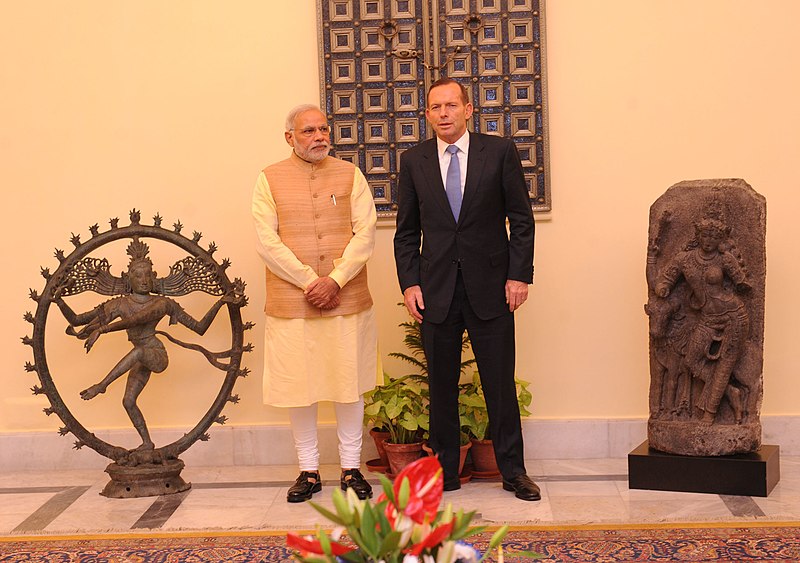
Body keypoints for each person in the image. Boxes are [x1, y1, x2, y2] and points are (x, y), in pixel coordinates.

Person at [393, 78, 540, 501]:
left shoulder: (499, 152)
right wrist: (410, 284)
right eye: (435, 107)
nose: (443, 113)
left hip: (492, 288)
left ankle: (514, 472)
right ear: (426, 114)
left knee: (499, 383)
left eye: (451, 105)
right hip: (435, 290)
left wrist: (519, 275)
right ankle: (444, 475)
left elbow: (521, 220)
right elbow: (405, 233)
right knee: (440, 386)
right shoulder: (414, 160)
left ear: (468, 109)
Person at [252, 104, 378, 503]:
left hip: (347, 296)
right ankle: (308, 471)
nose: (320, 136)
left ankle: (350, 468)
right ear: (290, 137)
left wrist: (336, 279)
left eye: (324, 129)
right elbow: (266, 241)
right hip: (293, 301)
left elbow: (366, 233)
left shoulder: (351, 174)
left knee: (349, 383)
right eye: (309, 131)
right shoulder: (268, 179)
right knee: (298, 387)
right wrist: (311, 282)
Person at [54, 237, 239, 453]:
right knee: (128, 401)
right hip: (140, 357)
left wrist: (220, 303)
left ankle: (102, 385)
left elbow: (198, 327)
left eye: (147, 275)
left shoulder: (162, 303)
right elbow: (77, 320)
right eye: (137, 275)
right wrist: (58, 301)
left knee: (140, 351)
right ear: (128, 278)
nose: (143, 280)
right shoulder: (119, 304)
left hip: (155, 353)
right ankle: (147, 443)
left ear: (153, 278)